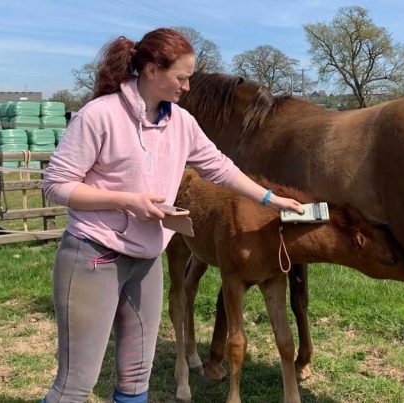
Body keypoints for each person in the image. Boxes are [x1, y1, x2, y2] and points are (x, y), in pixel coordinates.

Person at [41, 27, 303, 403]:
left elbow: (219, 167)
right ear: (151, 70)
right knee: (77, 382)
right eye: (181, 77)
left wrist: (268, 198)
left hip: (146, 258)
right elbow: (57, 185)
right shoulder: (99, 116)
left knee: (135, 378)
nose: (186, 86)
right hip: (94, 256)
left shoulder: (180, 122)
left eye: (189, 78)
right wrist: (127, 201)